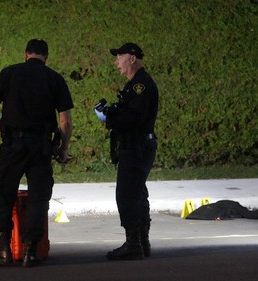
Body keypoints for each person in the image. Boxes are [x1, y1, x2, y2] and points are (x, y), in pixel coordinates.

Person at [0, 39, 74, 267]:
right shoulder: (55, 79)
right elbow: (65, 122)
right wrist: (63, 149)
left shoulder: (9, 73)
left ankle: (4, 249)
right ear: (46, 57)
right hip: (41, 147)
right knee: (38, 197)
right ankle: (30, 251)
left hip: (13, 144)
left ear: (26, 54)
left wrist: (3, 130)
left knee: (3, 192)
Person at [95, 42, 159, 260]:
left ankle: (134, 244)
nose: (116, 62)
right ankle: (141, 242)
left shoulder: (140, 85)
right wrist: (112, 111)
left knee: (127, 195)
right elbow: (130, 111)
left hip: (136, 146)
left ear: (132, 58)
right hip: (137, 145)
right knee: (137, 193)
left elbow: (135, 117)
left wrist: (109, 117)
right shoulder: (135, 84)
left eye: (119, 57)